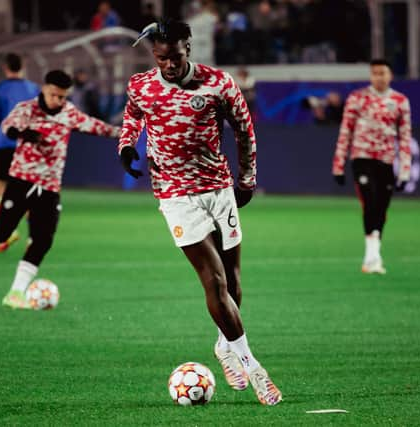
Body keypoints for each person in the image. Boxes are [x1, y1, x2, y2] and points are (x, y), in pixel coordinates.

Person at [120, 19, 282, 406]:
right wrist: (126, 146)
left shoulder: (219, 84)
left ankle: (224, 348)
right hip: (176, 195)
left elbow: (245, 131)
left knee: (234, 281)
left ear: (188, 48)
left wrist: (247, 179)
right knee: (214, 282)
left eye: (174, 57)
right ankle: (253, 366)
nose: (168, 66)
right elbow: (132, 116)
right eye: (161, 59)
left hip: (218, 188)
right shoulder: (141, 85)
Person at [0, 70, 120, 308]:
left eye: (62, 97)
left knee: (43, 240)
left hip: (49, 187)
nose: (58, 101)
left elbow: (95, 126)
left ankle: (15, 293)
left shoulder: (68, 112)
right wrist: (22, 133)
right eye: (53, 95)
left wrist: (123, 134)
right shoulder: (26, 110)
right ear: (43, 89)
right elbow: (7, 126)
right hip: (21, 181)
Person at [332, 59, 411, 274]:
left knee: (381, 207)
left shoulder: (400, 101)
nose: (379, 77)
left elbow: (405, 137)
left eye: (383, 72)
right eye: (375, 73)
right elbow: (345, 131)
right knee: (370, 200)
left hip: (386, 160)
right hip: (362, 157)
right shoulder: (357, 99)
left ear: (390, 75)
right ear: (370, 76)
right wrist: (338, 165)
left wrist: (405, 170)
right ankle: (371, 255)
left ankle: (374, 253)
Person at [0, 53, 41, 252]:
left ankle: (6, 222)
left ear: (5, 67)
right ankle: (33, 237)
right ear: (23, 66)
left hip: (5, 142)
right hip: (27, 145)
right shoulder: (33, 88)